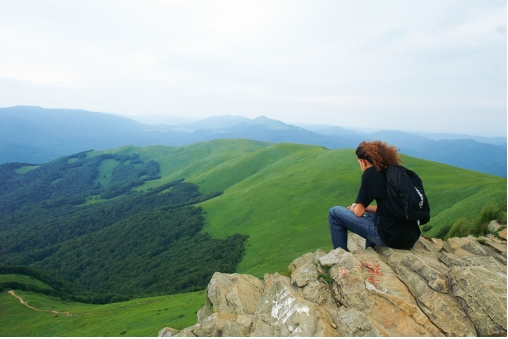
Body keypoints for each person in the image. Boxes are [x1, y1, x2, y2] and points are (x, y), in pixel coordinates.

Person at [328, 140, 421, 251]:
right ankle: (371, 250)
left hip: (390, 238)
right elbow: (390, 208)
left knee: (334, 213)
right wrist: (366, 208)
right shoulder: (395, 173)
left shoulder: (371, 174)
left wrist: (354, 208)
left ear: (363, 161)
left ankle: (340, 256)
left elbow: (359, 212)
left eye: (359, 163)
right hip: (410, 237)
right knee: (372, 215)